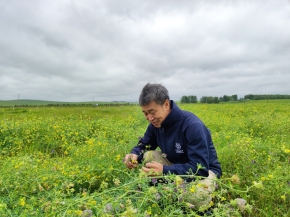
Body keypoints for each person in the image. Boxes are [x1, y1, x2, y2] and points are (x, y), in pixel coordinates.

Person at [124, 83, 222, 209]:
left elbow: (201, 169)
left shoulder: (192, 125)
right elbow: (143, 145)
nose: (149, 118)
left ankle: (211, 194)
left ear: (166, 104)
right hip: (175, 168)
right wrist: (134, 155)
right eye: (145, 113)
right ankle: (170, 191)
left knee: (196, 195)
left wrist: (164, 171)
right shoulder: (155, 126)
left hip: (206, 172)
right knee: (148, 155)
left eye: (152, 112)